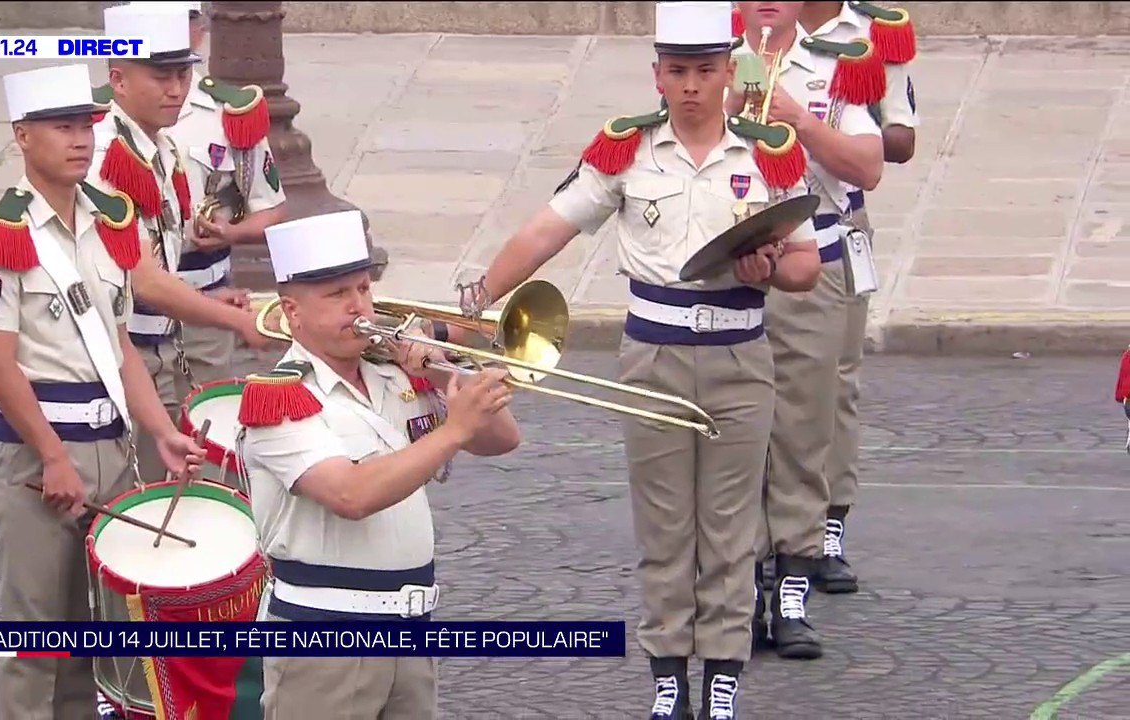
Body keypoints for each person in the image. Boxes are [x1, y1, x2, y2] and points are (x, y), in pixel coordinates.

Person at [449, 3, 822, 716]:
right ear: (656, 73)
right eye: (677, 71)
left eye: (705, 71)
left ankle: (720, 681)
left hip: (740, 354)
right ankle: (667, 677)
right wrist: (478, 301)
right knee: (664, 527)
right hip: (654, 352)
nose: (690, 87)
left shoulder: (768, 150)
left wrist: (769, 266)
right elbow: (545, 230)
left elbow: (806, 266)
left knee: (729, 527)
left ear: (728, 73)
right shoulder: (626, 150)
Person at [0, 62, 205, 720]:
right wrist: (54, 457)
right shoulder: (0, 232)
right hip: (40, 460)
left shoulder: (110, 218)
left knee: (97, 641)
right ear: (23, 137)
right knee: (38, 643)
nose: (80, 140)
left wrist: (162, 432)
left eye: (86, 126)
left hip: (109, 450)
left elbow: (120, 346)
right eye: (61, 127)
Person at [237, 209, 522, 719]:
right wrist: (453, 429)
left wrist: (440, 373)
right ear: (292, 312)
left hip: (411, 631)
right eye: (337, 295)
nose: (359, 306)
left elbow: (502, 440)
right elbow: (351, 494)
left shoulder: (394, 376)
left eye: (364, 288)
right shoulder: (280, 399)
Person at [729, 1, 885, 660]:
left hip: (811, 256)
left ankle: (792, 580)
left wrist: (796, 118)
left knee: (803, 424)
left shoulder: (835, 65)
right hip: (728, 264)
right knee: (735, 429)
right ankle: (739, 582)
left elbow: (868, 166)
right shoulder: (706, 62)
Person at [87, 2, 275, 489]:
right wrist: (235, 321)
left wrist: (208, 303)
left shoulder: (158, 148)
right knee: (135, 508)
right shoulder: (109, 156)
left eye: (181, 75)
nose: (176, 90)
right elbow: (142, 280)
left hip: (161, 344)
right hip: (120, 355)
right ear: (119, 79)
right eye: (160, 77)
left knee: (179, 490)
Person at [798, 0, 920, 595]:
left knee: (836, 382)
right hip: (750, 225)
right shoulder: (745, 26)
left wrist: (851, 112)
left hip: (835, 226)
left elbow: (900, 141)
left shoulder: (874, 32)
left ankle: (828, 526)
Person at [164, 0, 288, 393]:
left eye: (175, 23)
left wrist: (231, 234)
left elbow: (271, 206)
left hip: (209, 297)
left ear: (198, 29)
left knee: (206, 420)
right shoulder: (95, 117)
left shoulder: (229, 112)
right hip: (128, 305)